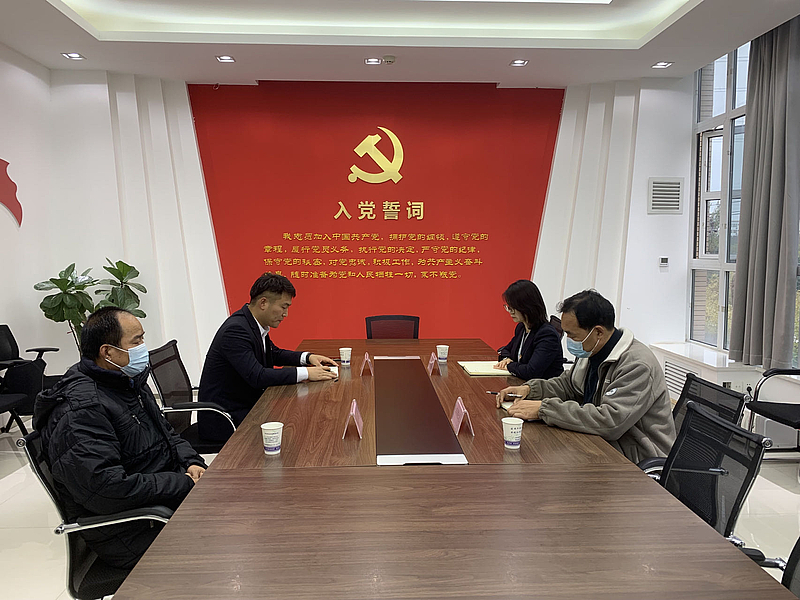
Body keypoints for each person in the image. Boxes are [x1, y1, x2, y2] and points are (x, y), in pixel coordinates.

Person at [33, 307, 207, 569]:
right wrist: (181, 483)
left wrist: (191, 462)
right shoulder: (81, 410)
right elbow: (105, 489)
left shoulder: (127, 382)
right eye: (136, 341)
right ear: (108, 352)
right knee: (236, 540)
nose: (143, 348)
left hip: (161, 504)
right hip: (131, 529)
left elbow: (168, 434)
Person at [497, 289, 675, 463]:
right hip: (597, 442)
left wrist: (544, 409)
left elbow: (610, 422)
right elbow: (568, 385)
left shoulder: (637, 365)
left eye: (572, 334)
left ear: (598, 332)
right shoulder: (592, 348)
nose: (568, 340)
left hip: (635, 460)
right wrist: (530, 390)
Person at [198, 272, 337, 442]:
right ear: (263, 303)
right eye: (284, 307)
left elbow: (273, 353)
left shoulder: (252, 323)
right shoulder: (235, 330)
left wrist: (308, 357)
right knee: (298, 430)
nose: (286, 314)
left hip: (248, 406)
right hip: (226, 419)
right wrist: (307, 373)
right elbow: (257, 376)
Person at [494, 279, 564, 380]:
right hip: (522, 382)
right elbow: (505, 350)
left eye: (513, 308)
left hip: (543, 387)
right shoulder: (522, 328)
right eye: (508, 307)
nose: (510, 312)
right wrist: (507, 359)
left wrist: (510, 366)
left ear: (527, 307)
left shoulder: (547, 335)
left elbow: (531, 372)